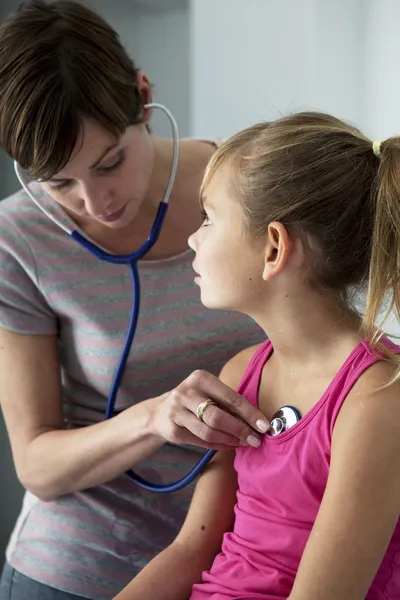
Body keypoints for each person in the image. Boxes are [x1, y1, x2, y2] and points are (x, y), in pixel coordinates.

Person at [0, 2, 268, 599]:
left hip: (237, 565)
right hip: (76, 571)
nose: (95, 204)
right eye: (60, 182)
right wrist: (152, 418)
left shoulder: (251, 190)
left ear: (144, 99)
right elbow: (37, 466)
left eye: (110, 164)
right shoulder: (18, 239)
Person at [114, 112, 400, 600]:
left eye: (209, 218)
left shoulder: (377, 398)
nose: (193, 238)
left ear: (273, 249)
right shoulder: (241, 371)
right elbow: (191, 552)